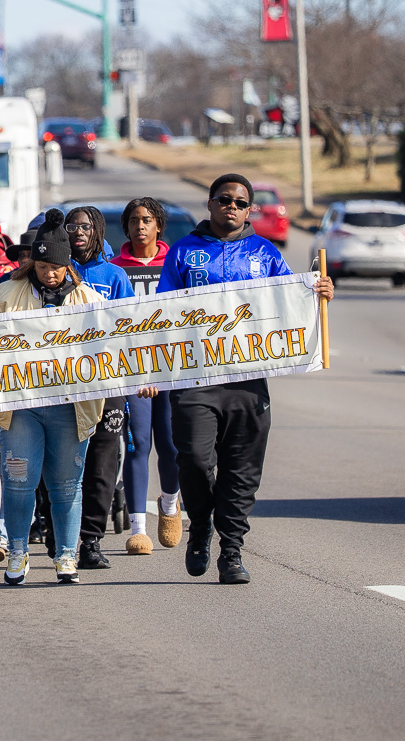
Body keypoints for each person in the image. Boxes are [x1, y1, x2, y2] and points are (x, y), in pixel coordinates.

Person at [155, 173, 333, 584]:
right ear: (210, 204)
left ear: (250, 209)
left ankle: (231, 552)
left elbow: (293, 301)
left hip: (248, 383)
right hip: (196, 379)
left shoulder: (265, 253)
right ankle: (199, 525)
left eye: (240, 202)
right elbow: (161, 312)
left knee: (242, 471)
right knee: (196, 463)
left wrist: (319, 291)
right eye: (224, 200)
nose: (231, 207)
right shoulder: (183, 252)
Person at [0, 209, 109, 585]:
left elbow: (107, 351)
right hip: (22, 406)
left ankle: (66, 556)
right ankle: (18, 551)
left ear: (67, 263)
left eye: (56, 266)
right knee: (19, 480)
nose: (50, 273)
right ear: (34, 262)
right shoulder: (7, 293)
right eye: (43, 265)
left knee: (66, 484)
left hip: (69, 407)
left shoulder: (88, 299)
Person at [59, 206, 136, 568]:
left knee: (103, 464)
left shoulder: (116, 276)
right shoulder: (53, 272)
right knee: (62, 462)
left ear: (99, 231)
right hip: (62, 384)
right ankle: (59, 537)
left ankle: (90, 541)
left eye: (86, 226)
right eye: (71, 225)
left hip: (108, 384)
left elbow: (132, 330)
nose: (78, 231)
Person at [109, 198, 181, 555]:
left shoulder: (175, 262)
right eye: (134, 220)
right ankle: (138, 527)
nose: (141, 226)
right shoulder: (115, 268)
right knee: (137, 444)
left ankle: (169, 505)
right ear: (126, 227)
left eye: (147, 220)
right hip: (134, 372)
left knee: (170, 446)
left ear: (158, 226)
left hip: (172, 369)